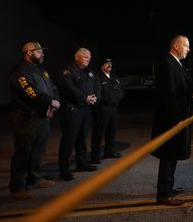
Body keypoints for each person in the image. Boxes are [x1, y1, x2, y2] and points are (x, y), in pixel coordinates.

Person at [9, 42, 60, 200]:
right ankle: (17, 188)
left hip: (42, 116)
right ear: (28, 53)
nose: (42, 54)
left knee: (39, 149)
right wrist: (49, 101)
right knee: (23, 153)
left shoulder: (41, 70)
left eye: (41, 51)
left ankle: (35, 178)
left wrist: (55, 100)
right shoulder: (20, 72)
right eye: (38, 52)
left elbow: (52, 87)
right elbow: (30, 92)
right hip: (26, 118)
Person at [151, 35, 193, 206]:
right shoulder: (167, 64)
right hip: (171, 119)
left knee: (173, 155)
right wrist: (177, 119)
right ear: (176, 46)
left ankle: (168, 187)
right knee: (168, 156)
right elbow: (169, 94)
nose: (188, 49)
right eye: (186, 46)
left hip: (177, 117)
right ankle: (163, 194)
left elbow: (182, 89)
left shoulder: (176, 64)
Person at [58, 48, 98, 181]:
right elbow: (70, 89)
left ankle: (81, 163)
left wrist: (94, 97)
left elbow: (94, 85)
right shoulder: (68, 71)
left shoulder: (87, 72)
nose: (89, 59)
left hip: (85, 109)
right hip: (73, 110)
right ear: (78, 58)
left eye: (89, 57)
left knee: (82, 137)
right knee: (69, 140)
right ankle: (64, 170)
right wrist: (85, 97)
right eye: (86, 57)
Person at [91, 58, 124, 164]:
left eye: (110, 63)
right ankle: (95, 156)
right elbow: (98, 94)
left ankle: (109, 151)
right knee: (99, 133)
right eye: (106, 63)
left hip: (114, 108)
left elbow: (120, 90)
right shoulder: (97, 77)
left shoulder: (114, 76)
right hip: (103, 109)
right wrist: (108, 100)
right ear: (101, 66)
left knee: (111, 131)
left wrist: (117, 98)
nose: (109, 65)